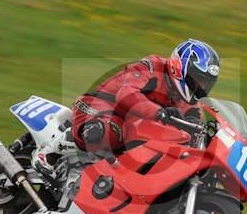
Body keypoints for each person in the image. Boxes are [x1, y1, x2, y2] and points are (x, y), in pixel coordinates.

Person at [71, 39, 220, 153]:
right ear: (180, 68)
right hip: (102, 105)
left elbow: (195, 122)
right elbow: (126, 93)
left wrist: (207, 133)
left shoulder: (189, 99)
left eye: (206, 83)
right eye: (198, 80)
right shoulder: (151, 67)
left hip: (133, 121)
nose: (201, 87)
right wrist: (159, 112)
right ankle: (58, 149)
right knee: (109, 133)